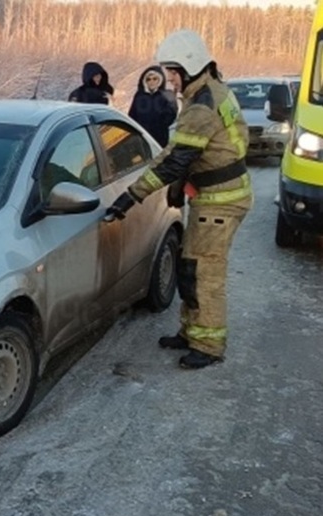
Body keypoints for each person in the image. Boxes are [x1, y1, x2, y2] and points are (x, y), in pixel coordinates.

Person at [105, 29, 252, 370]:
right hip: (216, 195)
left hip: (221, 201)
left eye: (172, 71)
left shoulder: (201, 106)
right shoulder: (211, 90)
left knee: (204, 273)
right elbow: (193, 151)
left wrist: (130, 197)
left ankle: (209, 345)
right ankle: (191, 331)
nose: (169, 78)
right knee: (190, 265)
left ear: (189, 66)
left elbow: (173, 160)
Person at [128, 65, 178, 147]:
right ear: (145, 81)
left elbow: (170, 118)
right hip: (142, 140)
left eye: (155, 79)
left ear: (160, 79)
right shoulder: (139, 96)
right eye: (148, 79)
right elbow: (132, 117)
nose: (152, 82)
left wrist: (172, 106)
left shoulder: (165, 96)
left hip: (161, 141)